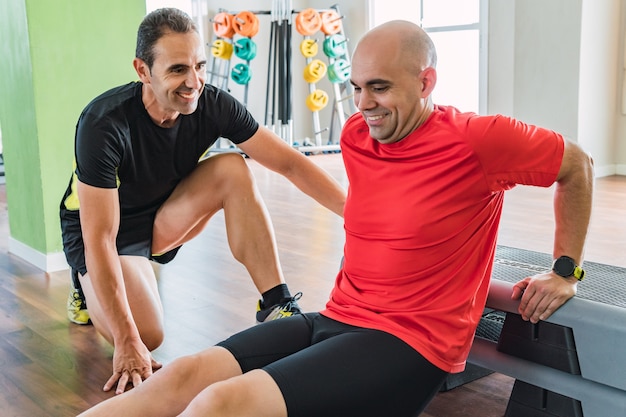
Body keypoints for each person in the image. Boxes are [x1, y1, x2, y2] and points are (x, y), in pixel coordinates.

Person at [77, 19, 594, 417]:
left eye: (381, 88)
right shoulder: (357, 134)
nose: (364, 104)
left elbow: (578, 165)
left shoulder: (479, 140)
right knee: (184, 373)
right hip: (337, 317)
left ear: (426, 81)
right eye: (357, 86)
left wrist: (565, 269)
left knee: (222, 403)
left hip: (409, 343)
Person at [59, 7, 346, 395]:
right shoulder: (103, 124)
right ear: (143, 71)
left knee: (233, 168)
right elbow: (100, 238)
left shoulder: (212, 104)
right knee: (147, 334)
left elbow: (290, 164)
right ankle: (84, 283)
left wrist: (358, 216)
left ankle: (276, 304)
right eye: (178, 69)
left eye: (200, 66)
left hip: (161, 214)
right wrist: (127, 340)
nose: (194, 82)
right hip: (107, 232)